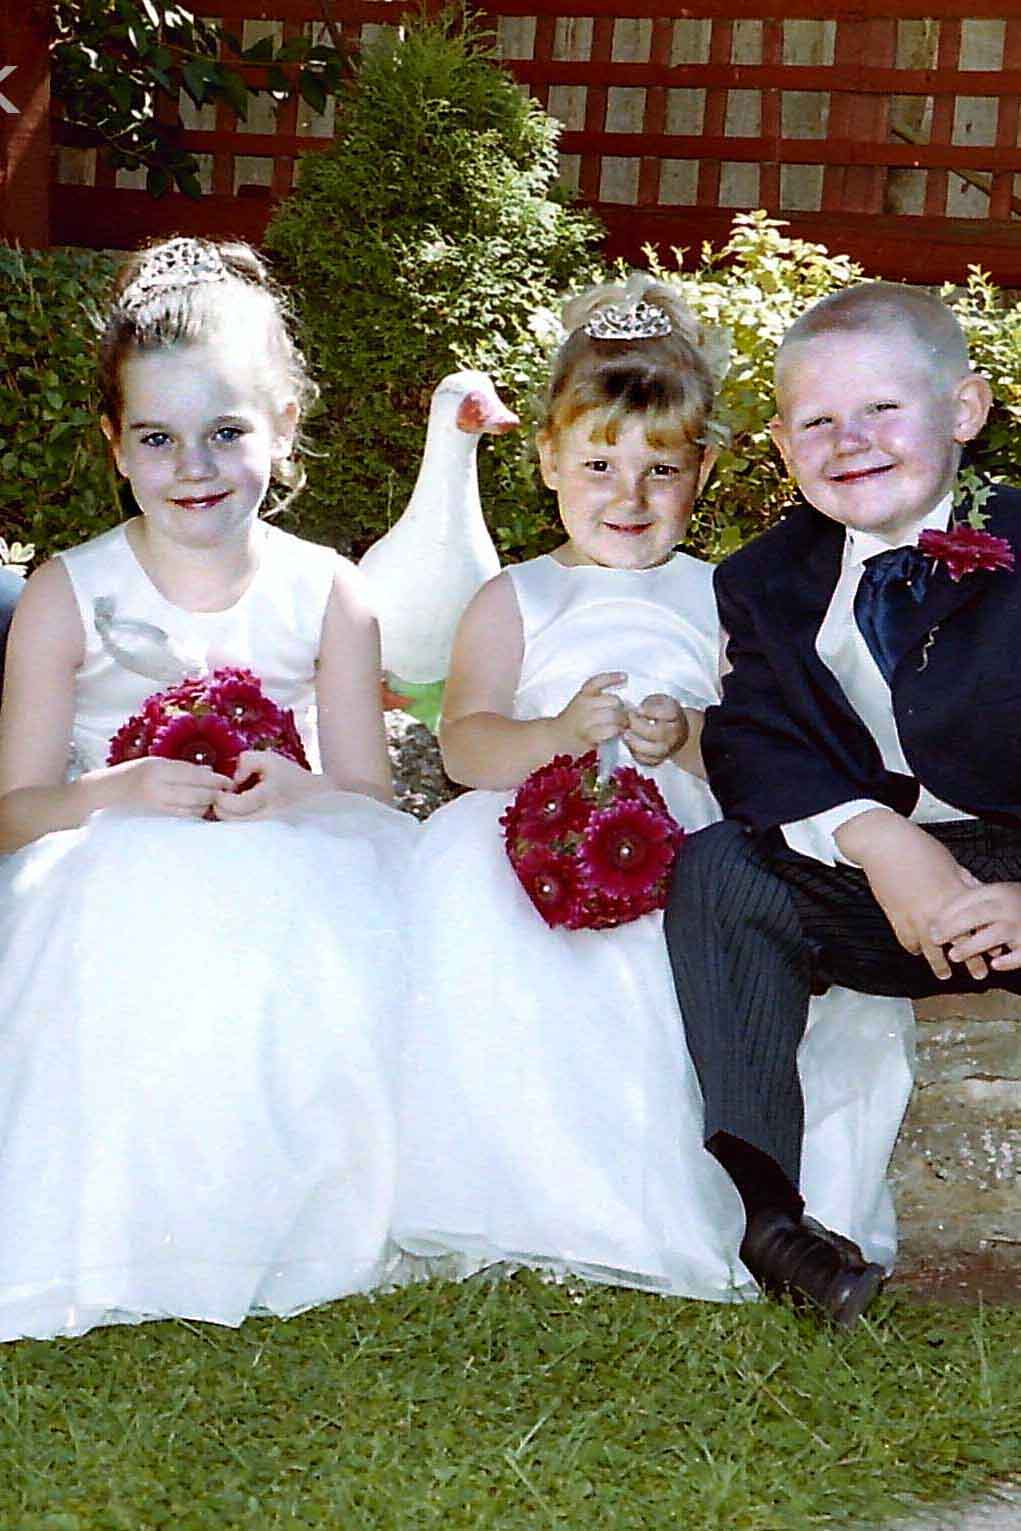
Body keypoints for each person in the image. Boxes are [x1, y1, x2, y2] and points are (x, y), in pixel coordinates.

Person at [394, 278, 913, 1304]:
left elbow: (779, 747)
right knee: (499, 931)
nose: (626, 499)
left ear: (703, 471)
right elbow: (465, 742)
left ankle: (730, 1207)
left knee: (707, 945)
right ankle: (548, 1198)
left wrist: (688, 741)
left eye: (659, 471)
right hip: (534, 835)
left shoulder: (725, 595)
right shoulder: (515, 596)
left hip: (691, 833)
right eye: (597, 464)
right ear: (545, 460)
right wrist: (550, 736)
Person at [0, 236, 418, 1342]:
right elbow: (12, 814)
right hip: (105, 861)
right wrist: (120, 790)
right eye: (158, 438)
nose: (195, 466)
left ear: (281, 428)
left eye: (228, 432)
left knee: (299, 911)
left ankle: (285, 1209)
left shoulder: (331, 593)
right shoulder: (67, 592)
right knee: (135, 897)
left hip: (285, 856)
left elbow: (375, 805)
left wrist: (302, 789)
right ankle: (126, 1220)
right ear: (115, 449)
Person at [664, 279, 1021, 1326]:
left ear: (963, 411)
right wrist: (878, 842)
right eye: (816, 421)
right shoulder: (763, 579)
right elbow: (751, 738)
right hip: (888, 893)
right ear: (780, 445)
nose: (848, 441)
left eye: (880, 410)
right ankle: (777, 1218)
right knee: (722, 866)